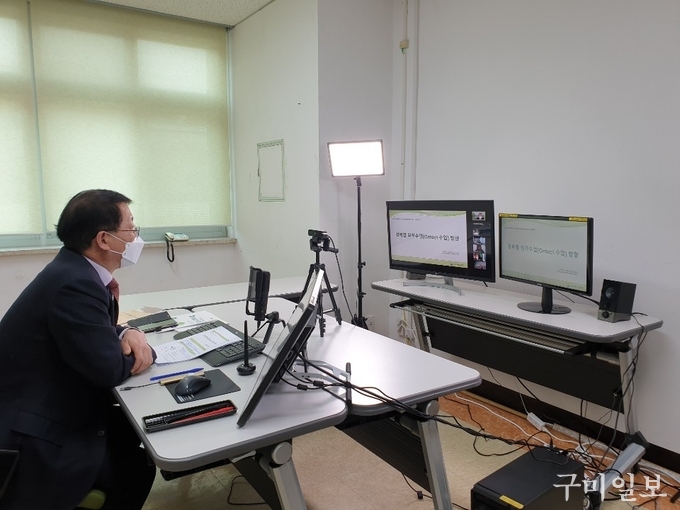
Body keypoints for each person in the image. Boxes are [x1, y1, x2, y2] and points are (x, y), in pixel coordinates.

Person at [0, 190, 157, 510]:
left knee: (137, 433)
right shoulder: (76, 283)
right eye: (131, 227)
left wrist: (128, 331)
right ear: (104, 239)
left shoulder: (72, 268)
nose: (135, 235)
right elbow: (109, 369)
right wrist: (145, 349)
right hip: (38, 434)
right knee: (135, 471)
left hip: (44, 404)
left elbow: (89, 329)